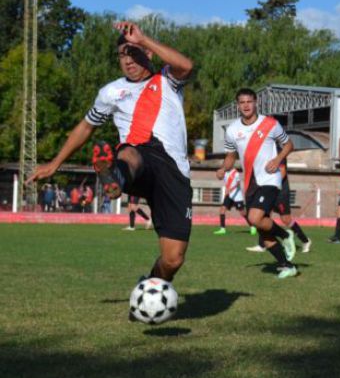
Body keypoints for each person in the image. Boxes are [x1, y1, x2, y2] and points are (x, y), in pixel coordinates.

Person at [28, 21, 195, 296]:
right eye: (122, 55)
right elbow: (85, 126)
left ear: (148, 53)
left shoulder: (167, 79)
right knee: (129, 153)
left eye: (134, 52)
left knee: (173, 259)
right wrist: (54, 163)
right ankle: (114, 177)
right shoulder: (111, 92)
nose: (128, 61)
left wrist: (143, 38)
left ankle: (148, 289)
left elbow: (186, 65)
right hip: (139, 155)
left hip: (174, 170)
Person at [218, 88, 298, 279]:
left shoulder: (270, 124)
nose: (246, 105)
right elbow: (230, 156)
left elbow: (289, 145)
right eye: (242, 102)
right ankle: (287, 266)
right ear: (238, 105)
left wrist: (278, 159)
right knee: (262, 229)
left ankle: (286, 236)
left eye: (249, 101)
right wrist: (223, 168)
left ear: (256, 103)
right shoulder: (232, 130)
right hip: (250, 183)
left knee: (254, 218)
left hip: (270, 179)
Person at [246, 162, 311, 252]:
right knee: (263, 215)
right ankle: (262, 245)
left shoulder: (279, 151)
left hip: (279, 192)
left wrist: (276, 186)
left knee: (286, 219)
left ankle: (305, 241)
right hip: (268, 190)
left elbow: (282, 170)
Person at [214, 168, 248, 235]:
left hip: (237, 196)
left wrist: (231, 189)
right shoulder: (225, 173)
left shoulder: (236, 173)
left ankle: (253, 226)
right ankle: (222, 229)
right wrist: (218, 173)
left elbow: (238, 184)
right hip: (229, 195)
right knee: (222, 210)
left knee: (242, 212)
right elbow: (220, 177)